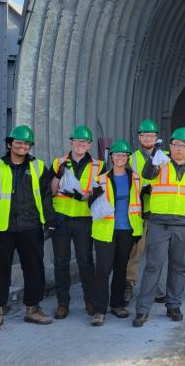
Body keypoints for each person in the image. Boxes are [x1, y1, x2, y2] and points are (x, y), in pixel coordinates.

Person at [0, 125, 55, 333]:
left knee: (34, 268)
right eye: (18, 142)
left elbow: (46, 196)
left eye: (26, 143)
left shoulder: (38, 167)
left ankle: (32, 308)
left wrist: (49, 220)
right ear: (10, 144)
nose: (22, 146)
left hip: (31, 226)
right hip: (3, 228)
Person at [133, 128, 185, 325]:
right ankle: (143, 310)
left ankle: (173, 305)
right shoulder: (160, 163)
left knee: (180, 267)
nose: (179, 149)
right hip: (159, 224)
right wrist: (154, 157)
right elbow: (147, 174)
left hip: (183, 226)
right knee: (152, 267)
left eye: (183, 145)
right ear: (170, 146)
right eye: (175, 144)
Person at [49, 125, 104, 319]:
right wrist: (58, 175)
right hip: (62, 218)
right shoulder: (58, 163)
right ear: (71, 142)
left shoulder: (99, 165)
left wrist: (88, 195)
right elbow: (52, 190)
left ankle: (89, 301)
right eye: (77, 141)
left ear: (89, 145)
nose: (80, 145)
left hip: (84, 219)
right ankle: (62, 303)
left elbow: (101, 193)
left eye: (84, 142)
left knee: (85, 261)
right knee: (61, 262)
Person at [89, 140, 143, 326]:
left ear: (128, 157)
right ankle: (99, 310)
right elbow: (92, 205)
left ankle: (117, 304)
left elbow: (139, 202)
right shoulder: (101, 178)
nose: (119, 158)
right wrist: (93, 198)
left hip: (127, 229)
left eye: (123, 155)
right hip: (105, 230)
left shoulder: (136, 178)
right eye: (116, 155)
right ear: (111, 158)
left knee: (121, 268)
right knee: (103, 270)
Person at [124, 118, 168, 305]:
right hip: (140, 212)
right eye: (145, 135)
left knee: (156, 253)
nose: (148, 138)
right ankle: (129, 284)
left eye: (151, 135)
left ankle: (153, 286)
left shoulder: (165, 156)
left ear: (157, 137)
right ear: (139, 137)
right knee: (135, 251)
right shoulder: (132, 158)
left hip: (159, 211)